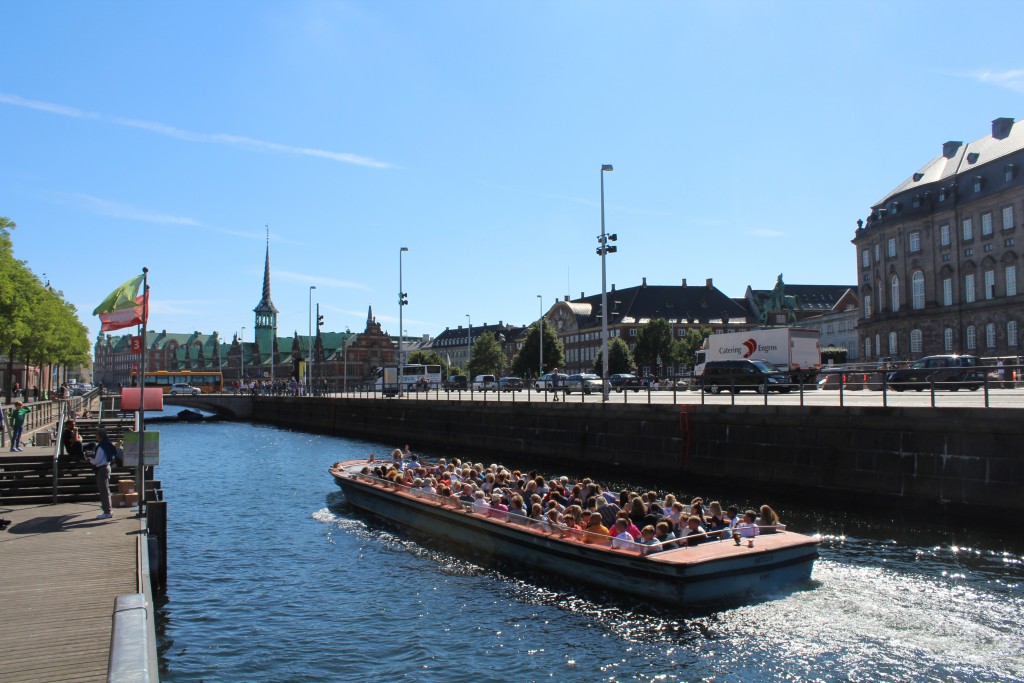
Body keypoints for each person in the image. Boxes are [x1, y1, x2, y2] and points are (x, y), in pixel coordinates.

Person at [89, 428, 117, 519]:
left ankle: (107, 511)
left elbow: (97, 460)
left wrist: (90, 460)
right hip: (107, 467)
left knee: (104, 491)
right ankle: (108, 510)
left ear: (100, 436)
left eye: (96, 434)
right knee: (106, 490)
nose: (95, 436)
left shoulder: (101, 446)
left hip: (102, 469)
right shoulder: (107, 443)